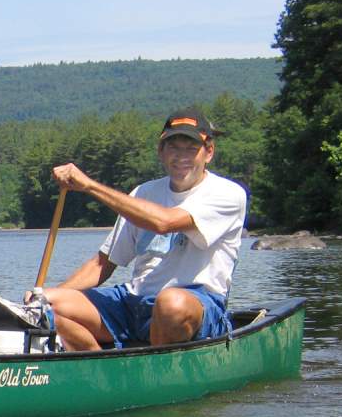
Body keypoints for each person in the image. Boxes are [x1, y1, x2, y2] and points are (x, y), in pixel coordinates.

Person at [36, 108, 247, 351]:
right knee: (49, 305)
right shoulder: (144, 193)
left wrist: (89, 186)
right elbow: (101, 265)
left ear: (208, 152)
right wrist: (38, 304)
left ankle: (155, 373)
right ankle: (101, 372)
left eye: (191, 148)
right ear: (161, 152)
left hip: (196, 305)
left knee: (170, 303)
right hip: (133, 303)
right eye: (173, 147)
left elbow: (164, 222)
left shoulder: (228, 194)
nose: (182, 156)